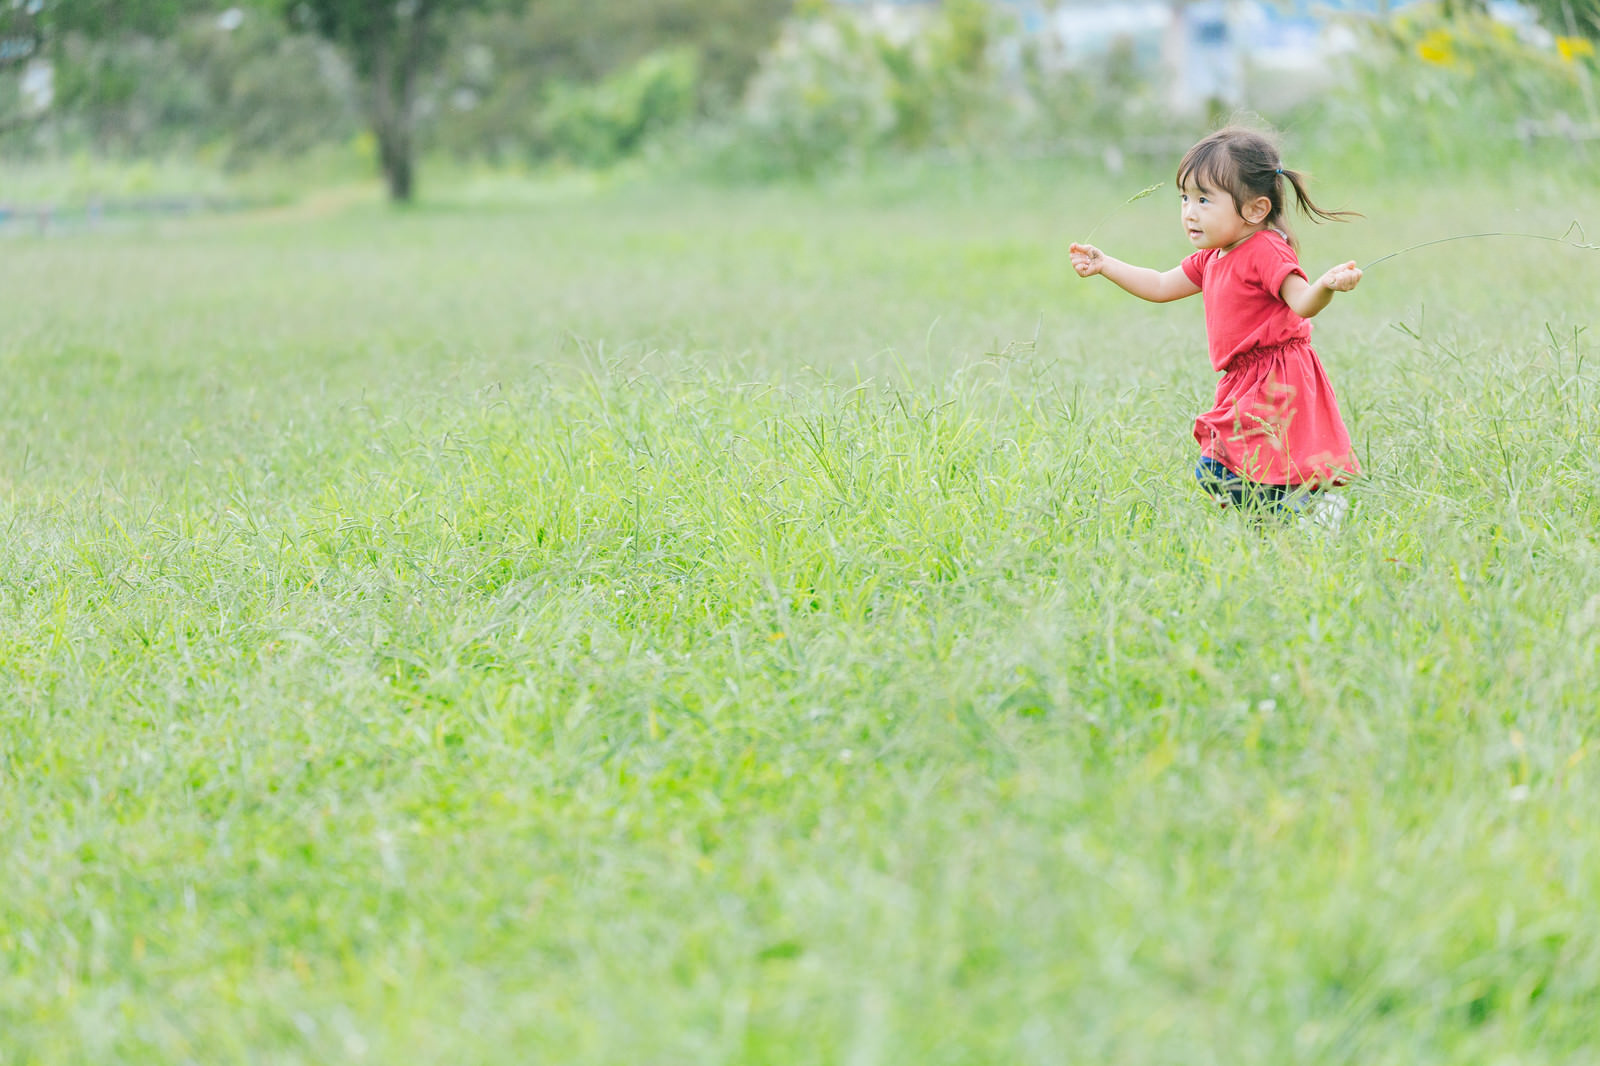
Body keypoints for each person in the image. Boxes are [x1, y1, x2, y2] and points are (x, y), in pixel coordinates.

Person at [1069, 126, 1362, 526]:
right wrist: (1106, 265)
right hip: (1243, 378)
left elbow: (1302, 302)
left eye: (1205, 200)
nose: (1190, 211)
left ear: (1256, 210)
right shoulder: (1213, 257)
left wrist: (1326, 285)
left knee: (1219, 467)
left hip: (1276, 377)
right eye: (1185, 198)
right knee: (1252, 470)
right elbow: (1158, 285)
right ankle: (1289, 523)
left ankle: (1309, 511)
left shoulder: (1265, 250)